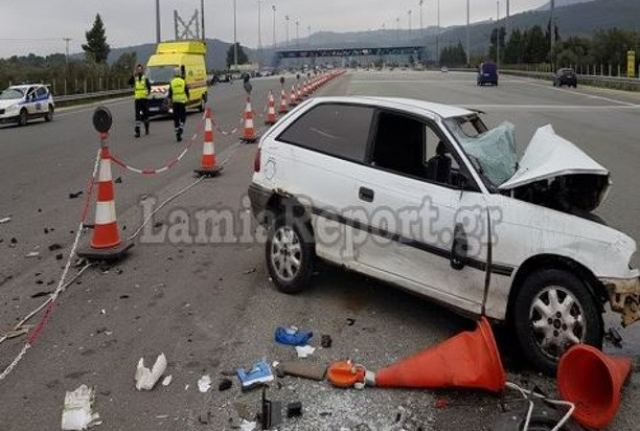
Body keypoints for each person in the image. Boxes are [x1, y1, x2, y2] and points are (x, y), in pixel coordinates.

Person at [128, 64, 151, 138]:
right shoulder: (135, 78)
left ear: (142, 70)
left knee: (145, 115)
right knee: (137, 116)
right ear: (136, 70)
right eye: (138, 69)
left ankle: (147, 128)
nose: (139, 70)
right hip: (138, 99)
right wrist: (132, 75)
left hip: (144, 99)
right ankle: (137, 132)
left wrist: (148, 93)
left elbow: (149, 87)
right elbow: (129, 82)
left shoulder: (145, 78)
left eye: (140, 69)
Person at [168, 67, 189, 142]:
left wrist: (169, 103)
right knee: (183, 116)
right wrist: (188, 99)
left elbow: (170, 94)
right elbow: (187, 91)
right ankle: (181, 127)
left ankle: (177, 133)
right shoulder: (183, 81)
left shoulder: (172, 82)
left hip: (175, 102)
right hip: (182, 102)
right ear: (180, 73)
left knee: (176, 117)